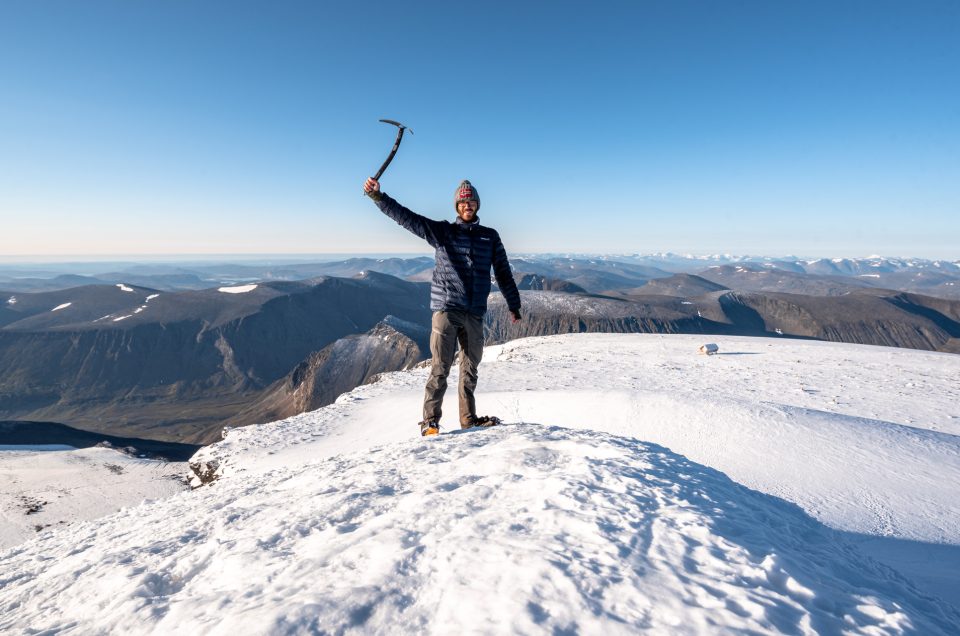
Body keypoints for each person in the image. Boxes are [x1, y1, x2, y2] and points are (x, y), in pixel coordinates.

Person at [364, 176, 522, 436]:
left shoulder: (490, 237)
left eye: (471, 201)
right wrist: (379, 198)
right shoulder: (443, 232)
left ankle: (468, 419)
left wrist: (513, 305)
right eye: (462, 202)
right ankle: (430, 421)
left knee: (470, 369)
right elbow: (407, 218)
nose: (467, 205)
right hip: (447, 308)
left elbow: (503, 272)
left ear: (477, 205)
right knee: (440, 368)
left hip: (474, 311)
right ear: (457, 207)